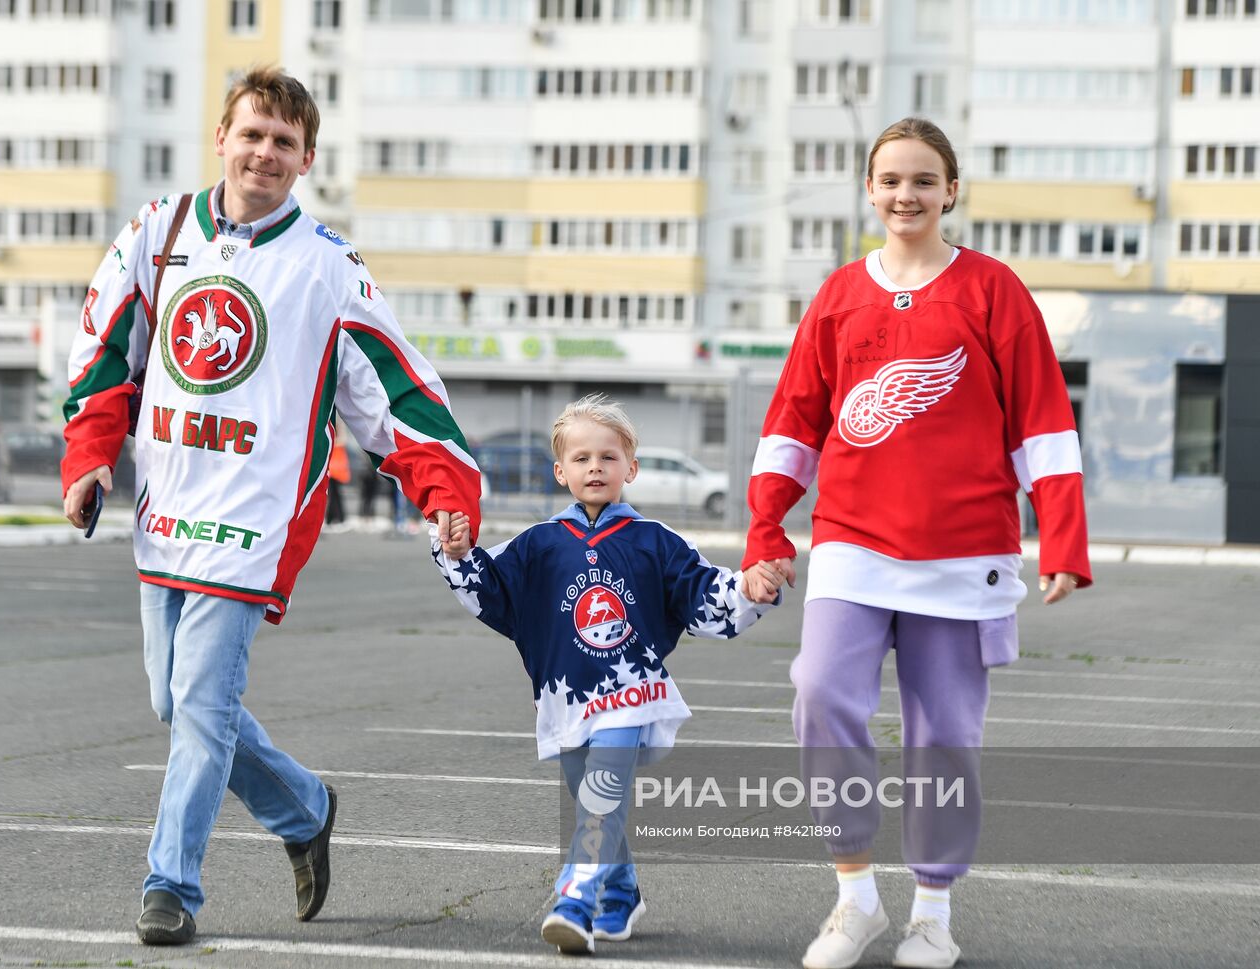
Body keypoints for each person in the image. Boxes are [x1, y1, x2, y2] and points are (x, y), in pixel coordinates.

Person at [60, 65, 482, 947]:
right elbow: (104, 349)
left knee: (203, 709)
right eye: (252, 133)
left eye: (283, 142)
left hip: (252, 525)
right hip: (167, 511)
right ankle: (304, 807)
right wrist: (90, 456)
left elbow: (396, 389)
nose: (264, 152)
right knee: (173, 705)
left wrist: (444, 486)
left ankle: (169, 886)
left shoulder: (328, 268)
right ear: (222, 137)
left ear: (306, 159)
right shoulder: (158, 231)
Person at [740, 117, 1091, 969]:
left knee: (944, 736)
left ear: (951, 190)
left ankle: (932, 911)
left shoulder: (993, 290)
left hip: (964, 549)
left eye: (923, 181)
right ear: (870, 189)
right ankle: (854, 897)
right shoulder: (836, 296)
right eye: (891, 180)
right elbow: (795, 420)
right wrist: (765, 526)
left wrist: (1063, 540)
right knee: (820, 691)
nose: (906, 195)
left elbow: (1042, 420)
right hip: (853, 544)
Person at [433, 395, 784, 955]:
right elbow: (490, 590)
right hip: (563, 698)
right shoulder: (539, 544)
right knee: (594, 801)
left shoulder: (656, 542)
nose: (594, 467)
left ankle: (574, 900)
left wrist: (749, 588)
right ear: (560, 471)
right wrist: (457, 553)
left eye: (607, 457)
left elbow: (704, 594)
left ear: (631, 467)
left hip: (631, 693)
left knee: (601, 794)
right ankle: (621, 892)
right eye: (581, 458)